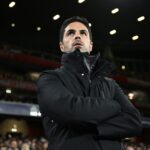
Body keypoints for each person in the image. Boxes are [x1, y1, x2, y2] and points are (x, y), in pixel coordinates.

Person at [37, 16, 142, 150]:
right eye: (71, 33)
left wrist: (95, 128)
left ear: (91, 45)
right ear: (61, 46)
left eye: (83, 33)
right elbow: (71, 111)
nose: (77, 36)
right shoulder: (49, 79)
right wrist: (114, 106)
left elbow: (134, 122)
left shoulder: (110, 84)